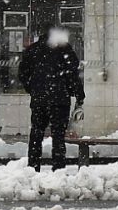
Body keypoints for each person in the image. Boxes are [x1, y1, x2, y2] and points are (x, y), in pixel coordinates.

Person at [18, 26, 84, 168]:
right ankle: (58, 167)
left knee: (36, 133)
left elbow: (22, 74)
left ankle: (33, 166)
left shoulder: (33, 50)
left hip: (39, 100)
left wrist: (33, 89)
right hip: (60, 100)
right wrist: (78, 95)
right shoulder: (65, 50)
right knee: (58, 136)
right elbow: (73, 75)